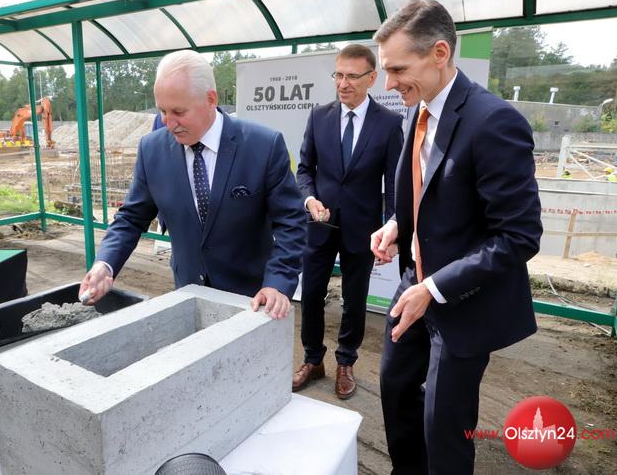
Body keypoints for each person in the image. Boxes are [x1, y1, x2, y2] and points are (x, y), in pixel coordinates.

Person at [370, 0, 542, 474]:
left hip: (463, 301)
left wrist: (435, 287)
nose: (388, 84)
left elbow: (519, 236)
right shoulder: (417, 111)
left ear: (440, 53)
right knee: (395, 389)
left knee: (443, 426)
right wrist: (397, 224)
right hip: (415, 286)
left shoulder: (494, 122)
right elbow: (428, 194)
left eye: (398, 69)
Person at [80, 50, 306, 319]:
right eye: (163, 111)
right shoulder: (152, 150)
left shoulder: (263, 146)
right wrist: (105, 264)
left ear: (210, 99)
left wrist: (277, 283)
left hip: (252, 301)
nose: (169, 123)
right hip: (188, 294)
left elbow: (291, 222)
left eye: (178, 112)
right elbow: (131, 218)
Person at [293, 44, 403, 399]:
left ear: (372, 78)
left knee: (354, 300)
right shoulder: (318, 116)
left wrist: (392, 229)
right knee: (311, 295)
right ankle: (313, 359)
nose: (343, 83)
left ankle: (345, 362)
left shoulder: (389, 124)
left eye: (352, 76)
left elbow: (395, 184)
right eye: (338, 75)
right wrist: (309, 199)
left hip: (362, 229)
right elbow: (304, 170)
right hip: (319, 226)